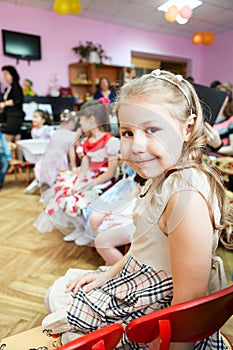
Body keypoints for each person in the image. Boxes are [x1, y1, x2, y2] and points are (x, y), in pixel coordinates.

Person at [42, 70, 232, 349]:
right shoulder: (163, 176)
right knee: (60, 291)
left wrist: (167, 344)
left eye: (152, 129)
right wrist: (107, 274)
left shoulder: (185, 195)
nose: (137, 146)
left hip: (158, 312)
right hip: (136, 277)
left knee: (57, 297)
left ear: (188, 127)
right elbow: (141, 246)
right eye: (128, 133)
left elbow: (188, 301)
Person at [39, 100, 120, 244]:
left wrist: (89, 184)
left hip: (104, 181)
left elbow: (111, 172)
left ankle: (87, 231)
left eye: (81, 121)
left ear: (92, 119)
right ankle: (79, 227)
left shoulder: (110, 141)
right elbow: (85, 164)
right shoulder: (87, 141)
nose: (80, 125)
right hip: (89, 176)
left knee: (76, 200)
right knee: (62, 193)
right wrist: (78, 183)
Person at [24, 109, 53, 194]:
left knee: (41, 169)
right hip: (39, 155)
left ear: (43, 120)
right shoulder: (33, 131)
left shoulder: (47, 129)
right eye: (33, 117)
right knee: (38, 168)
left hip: (48, 155)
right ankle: (39, 183)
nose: (34, 119)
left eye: (36, 117)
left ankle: (39, 183)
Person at [0, 65, 25, 144]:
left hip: (15, 115)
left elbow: (17, 100)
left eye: (6, 74)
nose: (4, 76)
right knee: (17, 141)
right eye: (3, 74)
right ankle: (17, 156)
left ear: (12, 74)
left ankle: (7, 156)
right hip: (10, 115)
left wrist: (4, 104)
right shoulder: (9, 88)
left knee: (6, 139)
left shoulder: (16, 87)